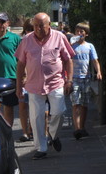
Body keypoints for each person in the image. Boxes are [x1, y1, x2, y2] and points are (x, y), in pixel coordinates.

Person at [15, 12, 75, 160]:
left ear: (49, 25)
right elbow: (21, 64)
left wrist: (69, 80)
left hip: (56, 82)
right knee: (36, 118)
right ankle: (41, 148)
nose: (38, 28)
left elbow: (68, 60)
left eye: (41, 25)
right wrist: (18, 86)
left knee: (59, 112)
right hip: (34, 84)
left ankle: (53, 135)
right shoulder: (27, 40)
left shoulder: (59, 37)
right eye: (35, 25)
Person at [70, 21, 102, 139]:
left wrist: (98, 72)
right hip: (74, 78)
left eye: (81, 31)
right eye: (77, 31)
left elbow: (94, 61)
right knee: (76, 103)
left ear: (86, 34)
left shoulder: (89, 46)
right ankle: (77, 128)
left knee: (84, 104)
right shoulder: (71, 46)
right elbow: (66, 60)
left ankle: (82, 128)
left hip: (86, 78)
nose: (79, 33)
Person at [17, 18, 34, 142]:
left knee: (35, 107)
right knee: (22, 106)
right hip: (24, 80)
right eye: (28, 29)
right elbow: (20, 62)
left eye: (31, 29)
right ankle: (25, 132)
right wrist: (22, 76)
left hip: (35, 80)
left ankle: (33, 130)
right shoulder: (22, 42)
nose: (29, 32)